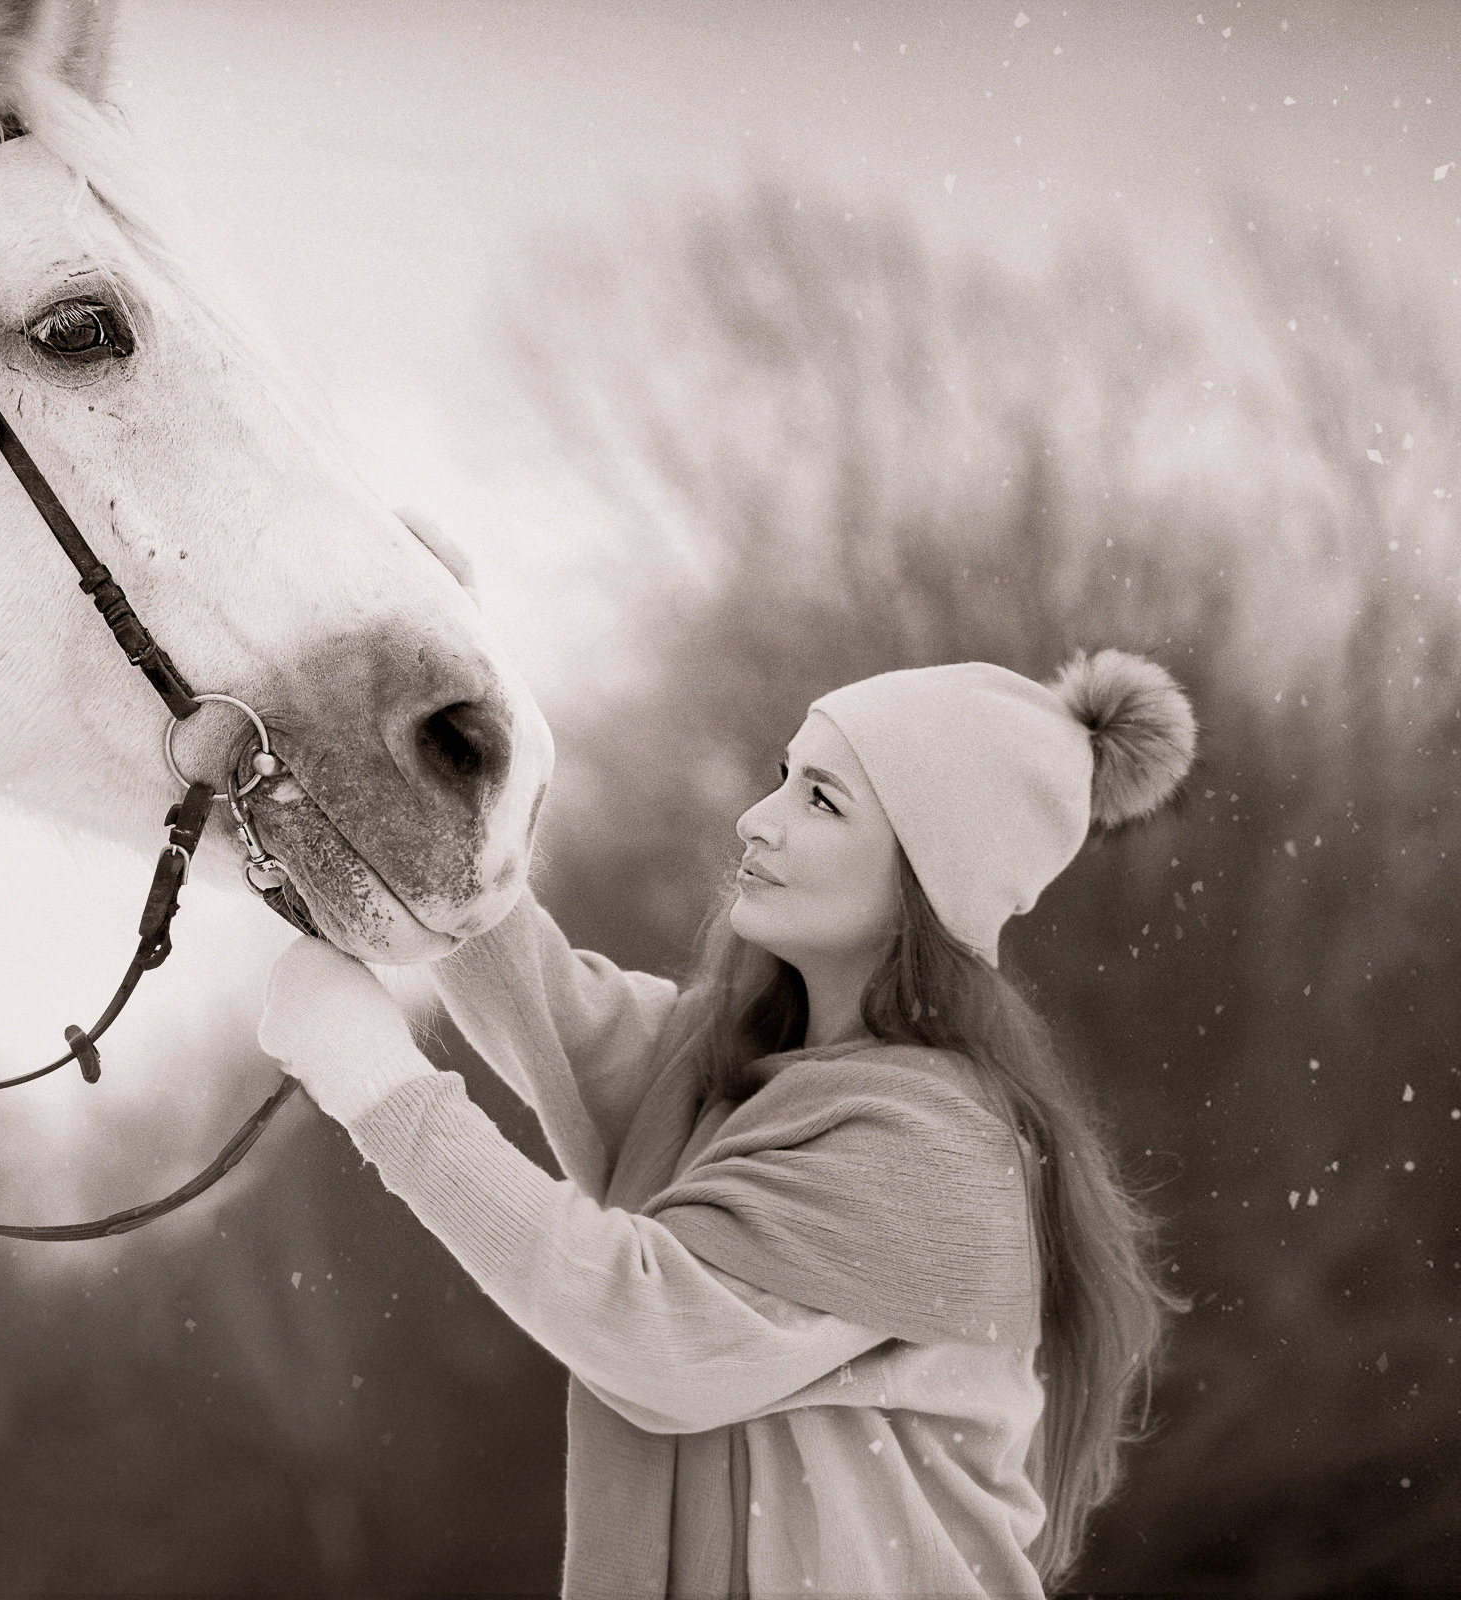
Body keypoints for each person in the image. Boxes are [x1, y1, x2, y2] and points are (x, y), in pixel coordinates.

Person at [257, 650, 1195, 1599]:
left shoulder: (939, 1149)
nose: (759, 819)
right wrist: (395, 754)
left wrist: (376, 1084)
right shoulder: (731, 1074)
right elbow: (546, 1005)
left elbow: (647, 1324)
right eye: (784, 776)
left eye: (821, 800)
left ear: (928, 877)